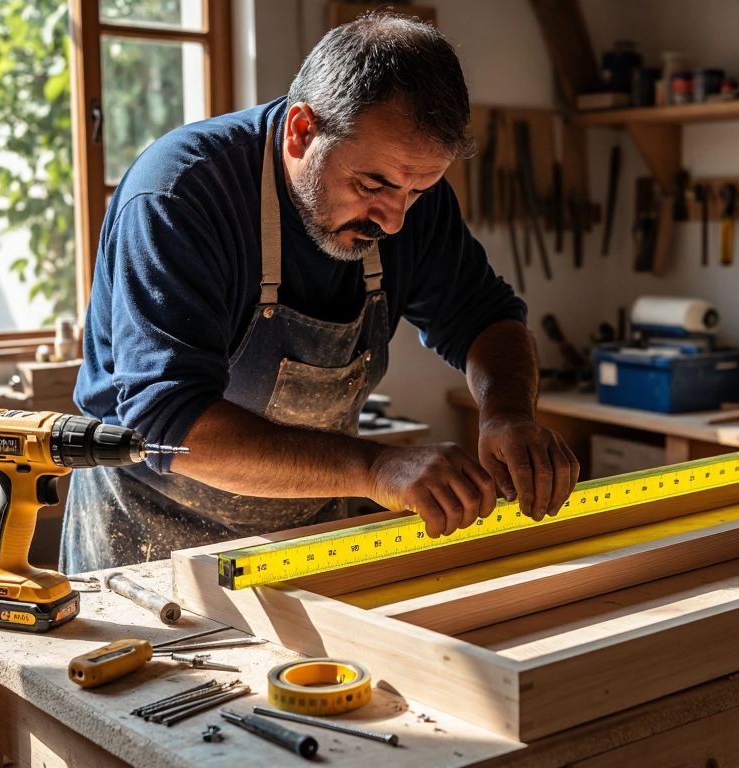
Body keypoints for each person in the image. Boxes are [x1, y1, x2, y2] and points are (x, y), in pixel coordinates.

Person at [62, 13, 578, 572]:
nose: (395, 219)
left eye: (419, 190)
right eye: (371, 184)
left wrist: (506, 412)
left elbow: (485, 317)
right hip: (150, 533)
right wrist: (374, 468)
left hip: (307, 532)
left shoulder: (405, 201)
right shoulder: (180, 195)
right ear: (301, 130)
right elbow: (168, 424)